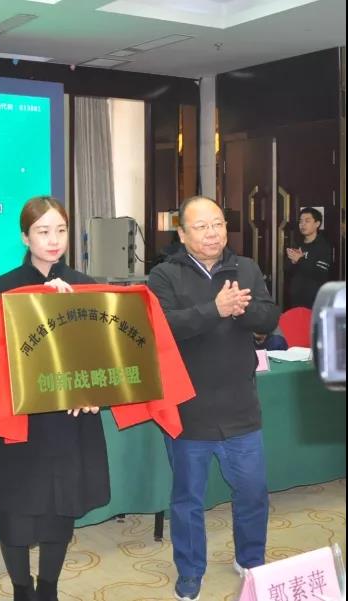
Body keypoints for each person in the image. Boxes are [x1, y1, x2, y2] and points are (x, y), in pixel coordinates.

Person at [0, 196, 110, 601]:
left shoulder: (85, 284)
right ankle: (21, 587)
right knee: (14, 511)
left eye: (61, 230)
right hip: (18, 421)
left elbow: (105, 353)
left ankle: (48, 586)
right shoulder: (4, 287)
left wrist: (96, 392)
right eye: (43, 231)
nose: (53, 240)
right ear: (25, 237)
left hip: (68, 420)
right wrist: (39, 305)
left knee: (59, 510)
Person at [147, 196, 281, 601]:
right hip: (190, 410)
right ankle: (190, 572)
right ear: (182, 234)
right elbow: (162, 327)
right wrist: (215, 309)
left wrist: (242, 311)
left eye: (218, 224)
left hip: (241, 406)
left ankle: (251, 560)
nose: (212, 233)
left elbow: (269, 316)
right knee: (188, 501)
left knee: (253, 492)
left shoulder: (246, 268)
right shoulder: (164, 275)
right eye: (202, 226)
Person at [285, 207, 332, 308]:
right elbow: (287, 270)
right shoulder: (297, 243)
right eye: (301, 221)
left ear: (317, 224)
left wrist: (300, 260)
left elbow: (320, 273)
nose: (303, 224)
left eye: (307, 221)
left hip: (314, 301)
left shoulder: (323, 246)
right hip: (295, 299)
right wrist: (293, 262)